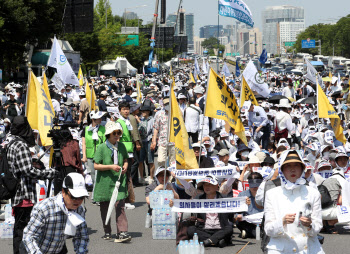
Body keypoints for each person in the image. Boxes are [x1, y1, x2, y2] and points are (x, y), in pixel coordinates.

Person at [6, 116, 56, 254]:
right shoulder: (21, 145)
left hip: (17, 193)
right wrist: (49, 173)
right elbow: (28, 171)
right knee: (23, 231)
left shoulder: (12, 143)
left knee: (19, 230)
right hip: (24, 194)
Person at [264, 150, 324, 254]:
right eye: (288, 166)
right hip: (281, 249)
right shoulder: (271, 194)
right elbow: (268, 230)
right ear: (281, 170)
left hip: (309, 248)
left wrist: (310, 225)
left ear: (302, 169)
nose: (292, 169)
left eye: (296, 165)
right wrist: (282, 222)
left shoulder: (313, 193)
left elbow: (318, 226)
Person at [21, 173, 89, 254]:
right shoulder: (44, 208)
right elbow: (29, 236)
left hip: (57, 249)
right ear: (63, 192)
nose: (78, 201)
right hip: (33, 250)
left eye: (81, 197)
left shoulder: (79, 210)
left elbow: (81, 236)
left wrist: (81, 252)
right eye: (74, 197)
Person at [93, 121, 131, 242]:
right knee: (105, 207)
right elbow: (96, 165)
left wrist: (125, 165)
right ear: (108, 134)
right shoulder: (101, 147)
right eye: (114, 133)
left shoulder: (121, 146)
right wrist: (110, 166)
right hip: (104, 182)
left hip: (119, 180)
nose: (116, 135)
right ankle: (107, 231)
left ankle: (122, 232)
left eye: (118, 133)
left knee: (120, 206)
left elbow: (125, 159)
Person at [183, 175, 233, 248]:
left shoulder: (224, 198)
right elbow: (185, 206)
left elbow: (232, 215)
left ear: (216, 186)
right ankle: (216, 240)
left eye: (210, 184)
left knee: (229, 229)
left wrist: (245, 203)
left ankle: (208, 241)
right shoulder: (199, 198)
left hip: (220, 228)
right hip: (204, 229)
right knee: (191, 230)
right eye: (205, 185)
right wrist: (174, 204)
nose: (207, 187)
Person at [81, 111, 106, 190]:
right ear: (93, 119)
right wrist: (84, 156)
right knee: (93, 176)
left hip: (101, 156)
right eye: (99, 118)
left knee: (100, 176)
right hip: (90, 156)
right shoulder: (86, 129)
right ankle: (96, 195)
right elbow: (83, 144)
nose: (101, 119)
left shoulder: (103, 129)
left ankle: (99, 195)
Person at [236, 172, 264, 239]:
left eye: (257, 185)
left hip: (263, 222)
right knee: (239, 222)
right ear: (248, 184)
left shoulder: (267, 194)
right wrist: (243, 207)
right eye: (252, 185)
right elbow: (238, 215)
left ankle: (248, 233)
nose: (254, 187)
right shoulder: (242, 195)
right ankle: (253, 232)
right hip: (249, 223)